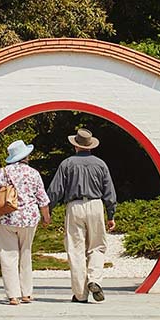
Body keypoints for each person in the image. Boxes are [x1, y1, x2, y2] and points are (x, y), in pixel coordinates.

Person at [47, 128, 117, 303]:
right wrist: (111, 214)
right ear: (90, 146)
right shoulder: (101, 164)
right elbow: (109, 191)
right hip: (95, 204)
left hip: (74, 206)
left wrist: (48, 211)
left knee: (75, 249)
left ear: (75, 146)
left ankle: (80, 294)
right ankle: (94, 280)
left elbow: (56, 190)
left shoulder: (67, 163)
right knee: (97, 246)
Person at [0, 139, 51, 306]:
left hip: (7, 218)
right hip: (29, 219)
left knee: (8, 256)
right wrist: (46, 217)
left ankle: (13, 296)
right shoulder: (34, 173)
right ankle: (27, 293)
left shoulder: (4, 172)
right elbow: (42, 198)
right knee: (26, 254)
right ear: (26, 156)